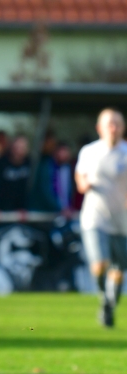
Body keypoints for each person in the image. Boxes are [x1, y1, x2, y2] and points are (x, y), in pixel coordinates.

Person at [75, 108, 127, 327]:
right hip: (95, 217)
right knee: (99, 264)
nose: (113, 128)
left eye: (116, 123)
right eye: (109, 124)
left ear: (122, 127)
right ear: (100, 128)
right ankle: (103, 300)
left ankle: (110, 305)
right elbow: (80, 175)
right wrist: (83, 184)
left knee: (118, 270)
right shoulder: (89, 152)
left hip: (122, 220)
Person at [32, 141, 75, 215]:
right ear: (56, 151)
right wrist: (60, 208)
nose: (66, 154)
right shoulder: (46, 167)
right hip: (46, 212)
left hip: (64, 213)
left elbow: (68, 191)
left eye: (67, 152)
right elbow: (46, 191)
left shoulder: (67, 168)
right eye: (63, 151)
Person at [0, 135, 30, 212]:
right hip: (2, 211)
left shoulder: (29, 164)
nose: (18, 151)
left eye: (21, 148)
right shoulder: (1, 164)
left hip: (21, 213)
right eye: (16, 147)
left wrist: (24, 207)